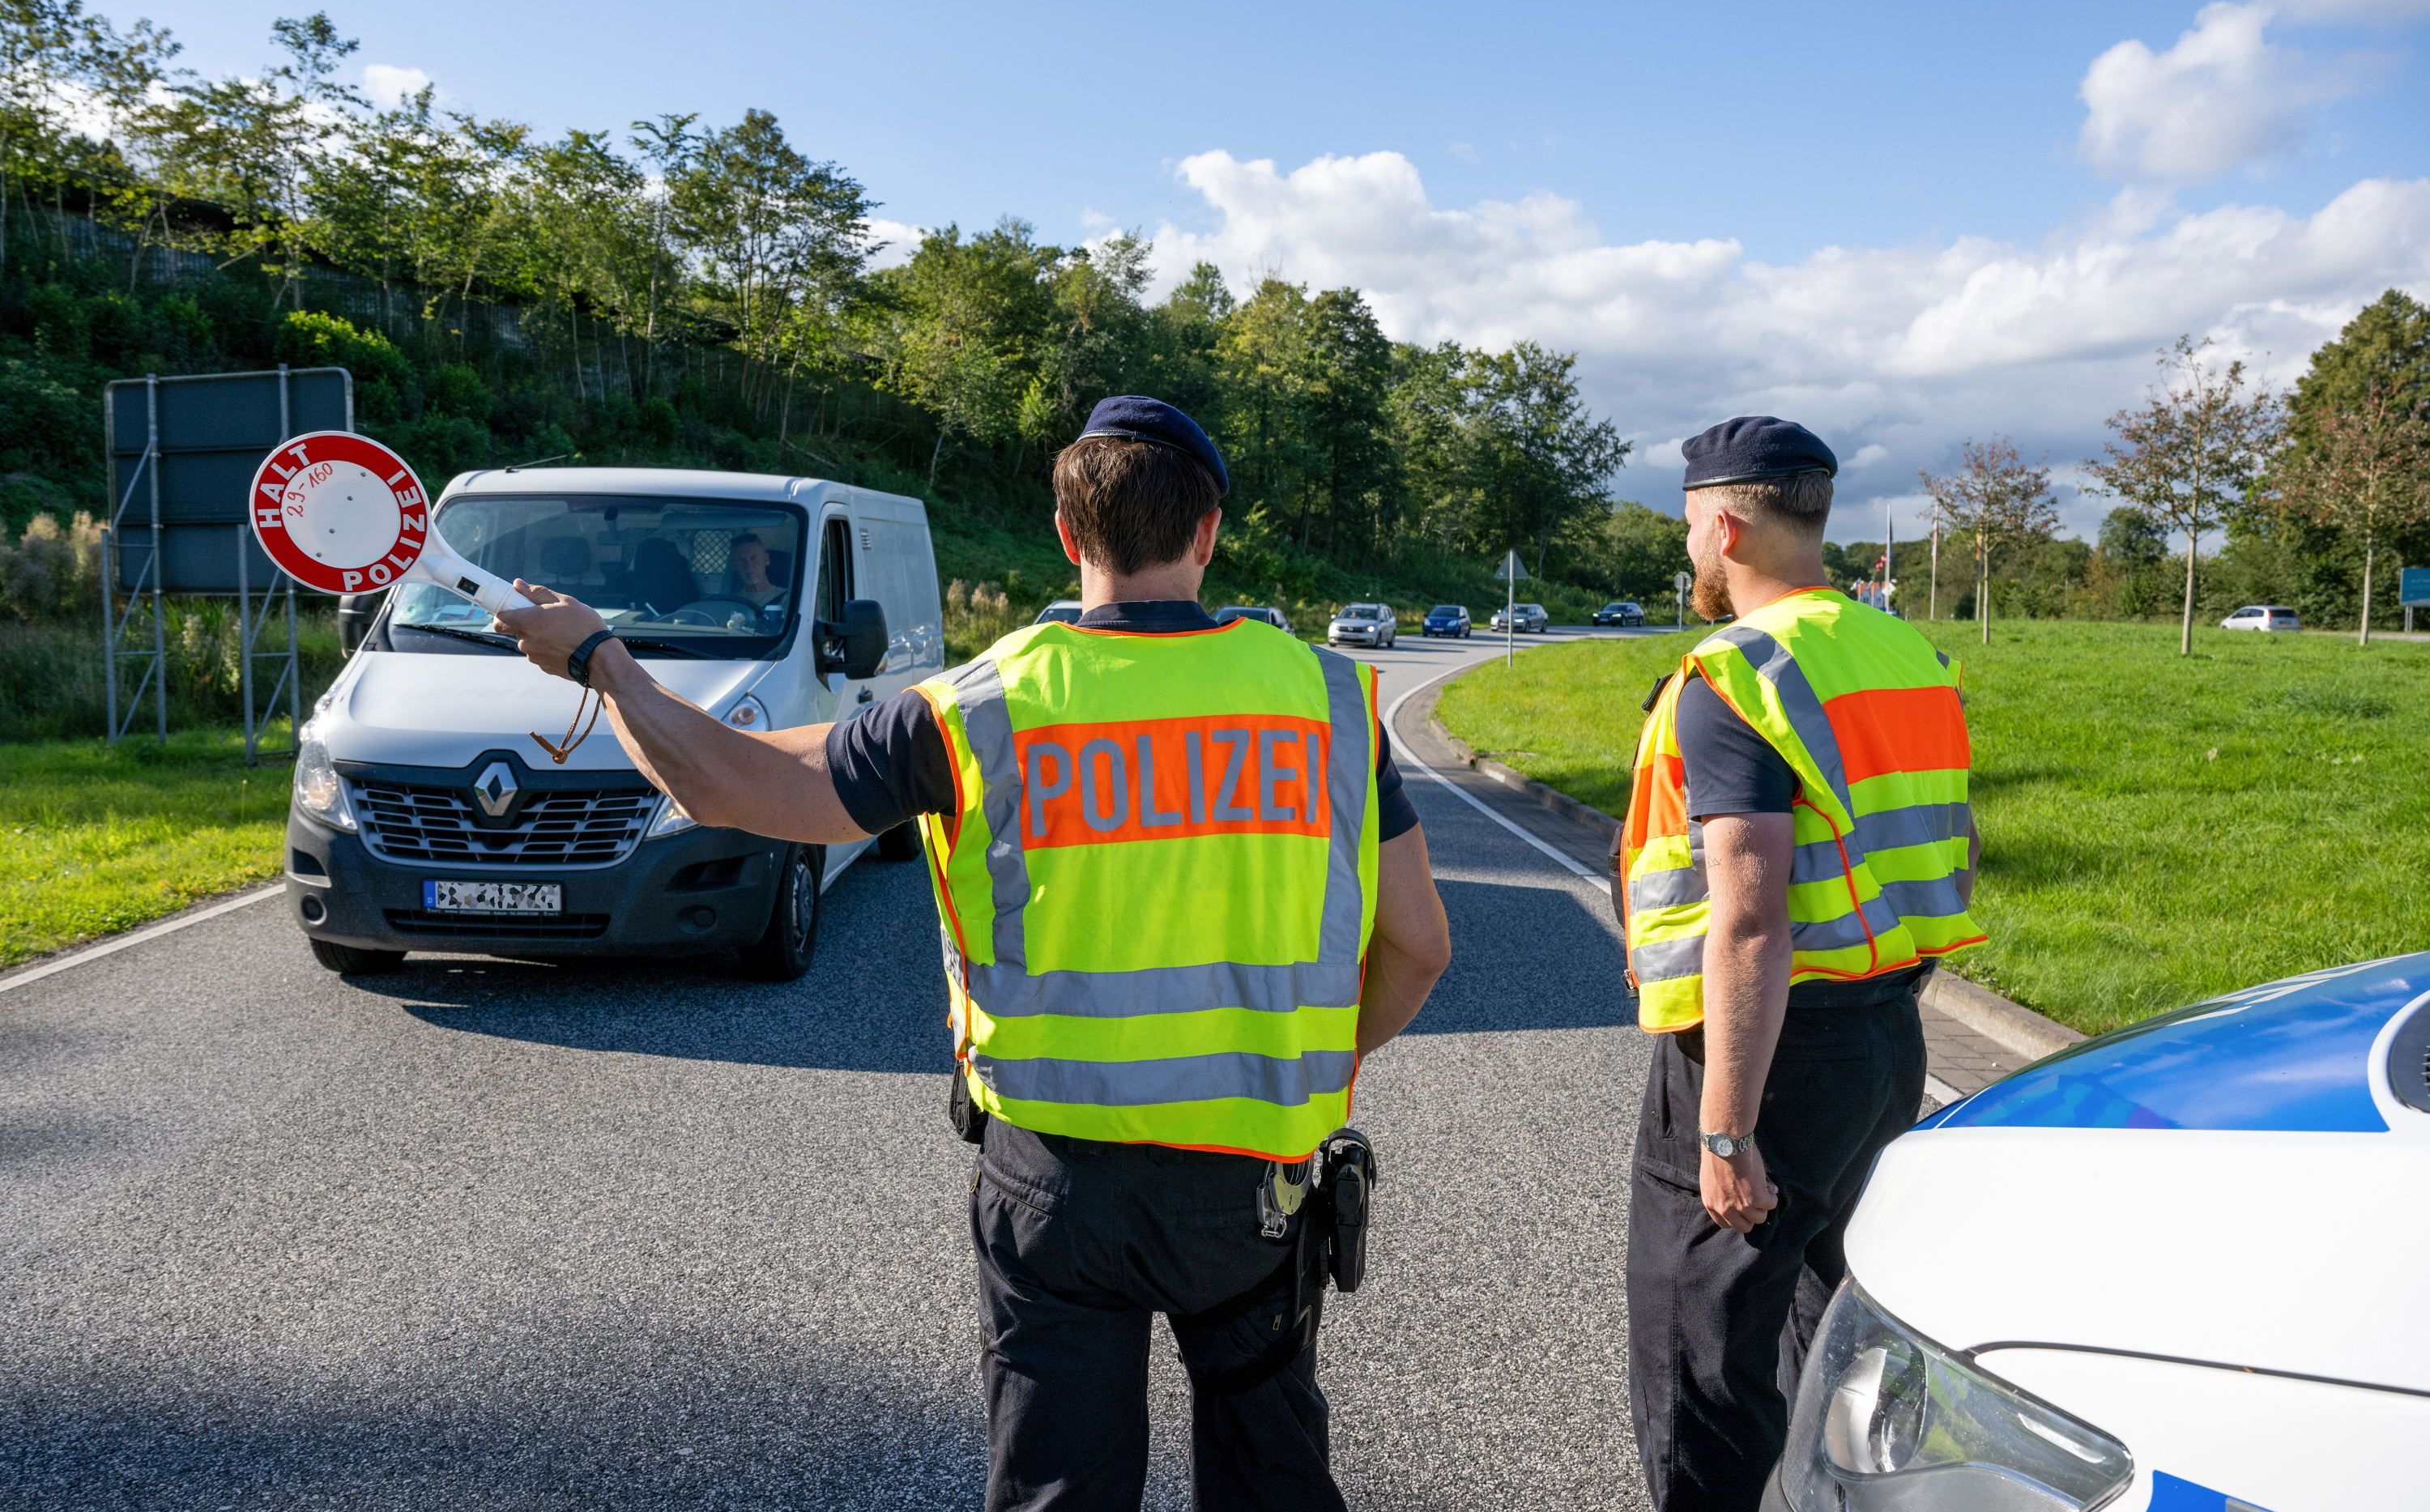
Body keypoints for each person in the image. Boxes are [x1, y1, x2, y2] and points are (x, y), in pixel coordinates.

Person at [497, 394, 1454, 1512]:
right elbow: (1420, 947)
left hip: (1056, 1186)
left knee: (1060, 1486)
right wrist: (1300, 1063)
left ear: (1067, 535)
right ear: (1207, 533)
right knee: (1273, 1476)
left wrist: (604, 662)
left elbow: (727, 782)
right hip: (1257, 1184)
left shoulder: (973, 712)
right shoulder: (1329, 703)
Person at [1613, 416, 1984, 1512]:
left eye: (1690, 531)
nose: (1690, 555)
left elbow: (1749, 920)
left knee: (1704, 1354)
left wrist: (1724, 1125)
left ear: (1724, 524)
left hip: (1766, 1056)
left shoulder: (1738, 676)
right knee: (1835, 1336)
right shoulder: (1901, 649)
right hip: (1885, 1036)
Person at [727, 532, 785, 608]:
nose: (749, 566)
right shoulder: (731, 603)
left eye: (754, 558)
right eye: (741, 560)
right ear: (734, 566)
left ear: (766, 559)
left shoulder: (786, 598)